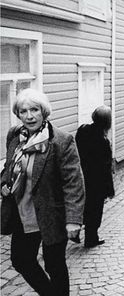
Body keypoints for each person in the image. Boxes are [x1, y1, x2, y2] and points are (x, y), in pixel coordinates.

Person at [0, 88, 85, 296]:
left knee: (54, 265)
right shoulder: (14, 136)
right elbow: (10, 166)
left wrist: (73, 219)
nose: (29, 116)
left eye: (34, 110)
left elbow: (73, 183)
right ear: (18, 114)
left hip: (51, 214)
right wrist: (4, 182)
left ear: (44, 111)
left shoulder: (60, 141)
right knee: (21, 260)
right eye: (23, 111)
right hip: (23, 213)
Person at [75, 106, 115, 248]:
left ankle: (75, 233)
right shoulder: (103, 142)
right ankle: (91, 239)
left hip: (80, 177)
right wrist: (110, 189)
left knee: (80, 207)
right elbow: (105, 169)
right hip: (96, 183)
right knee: (94, 211)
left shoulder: (82, 130)